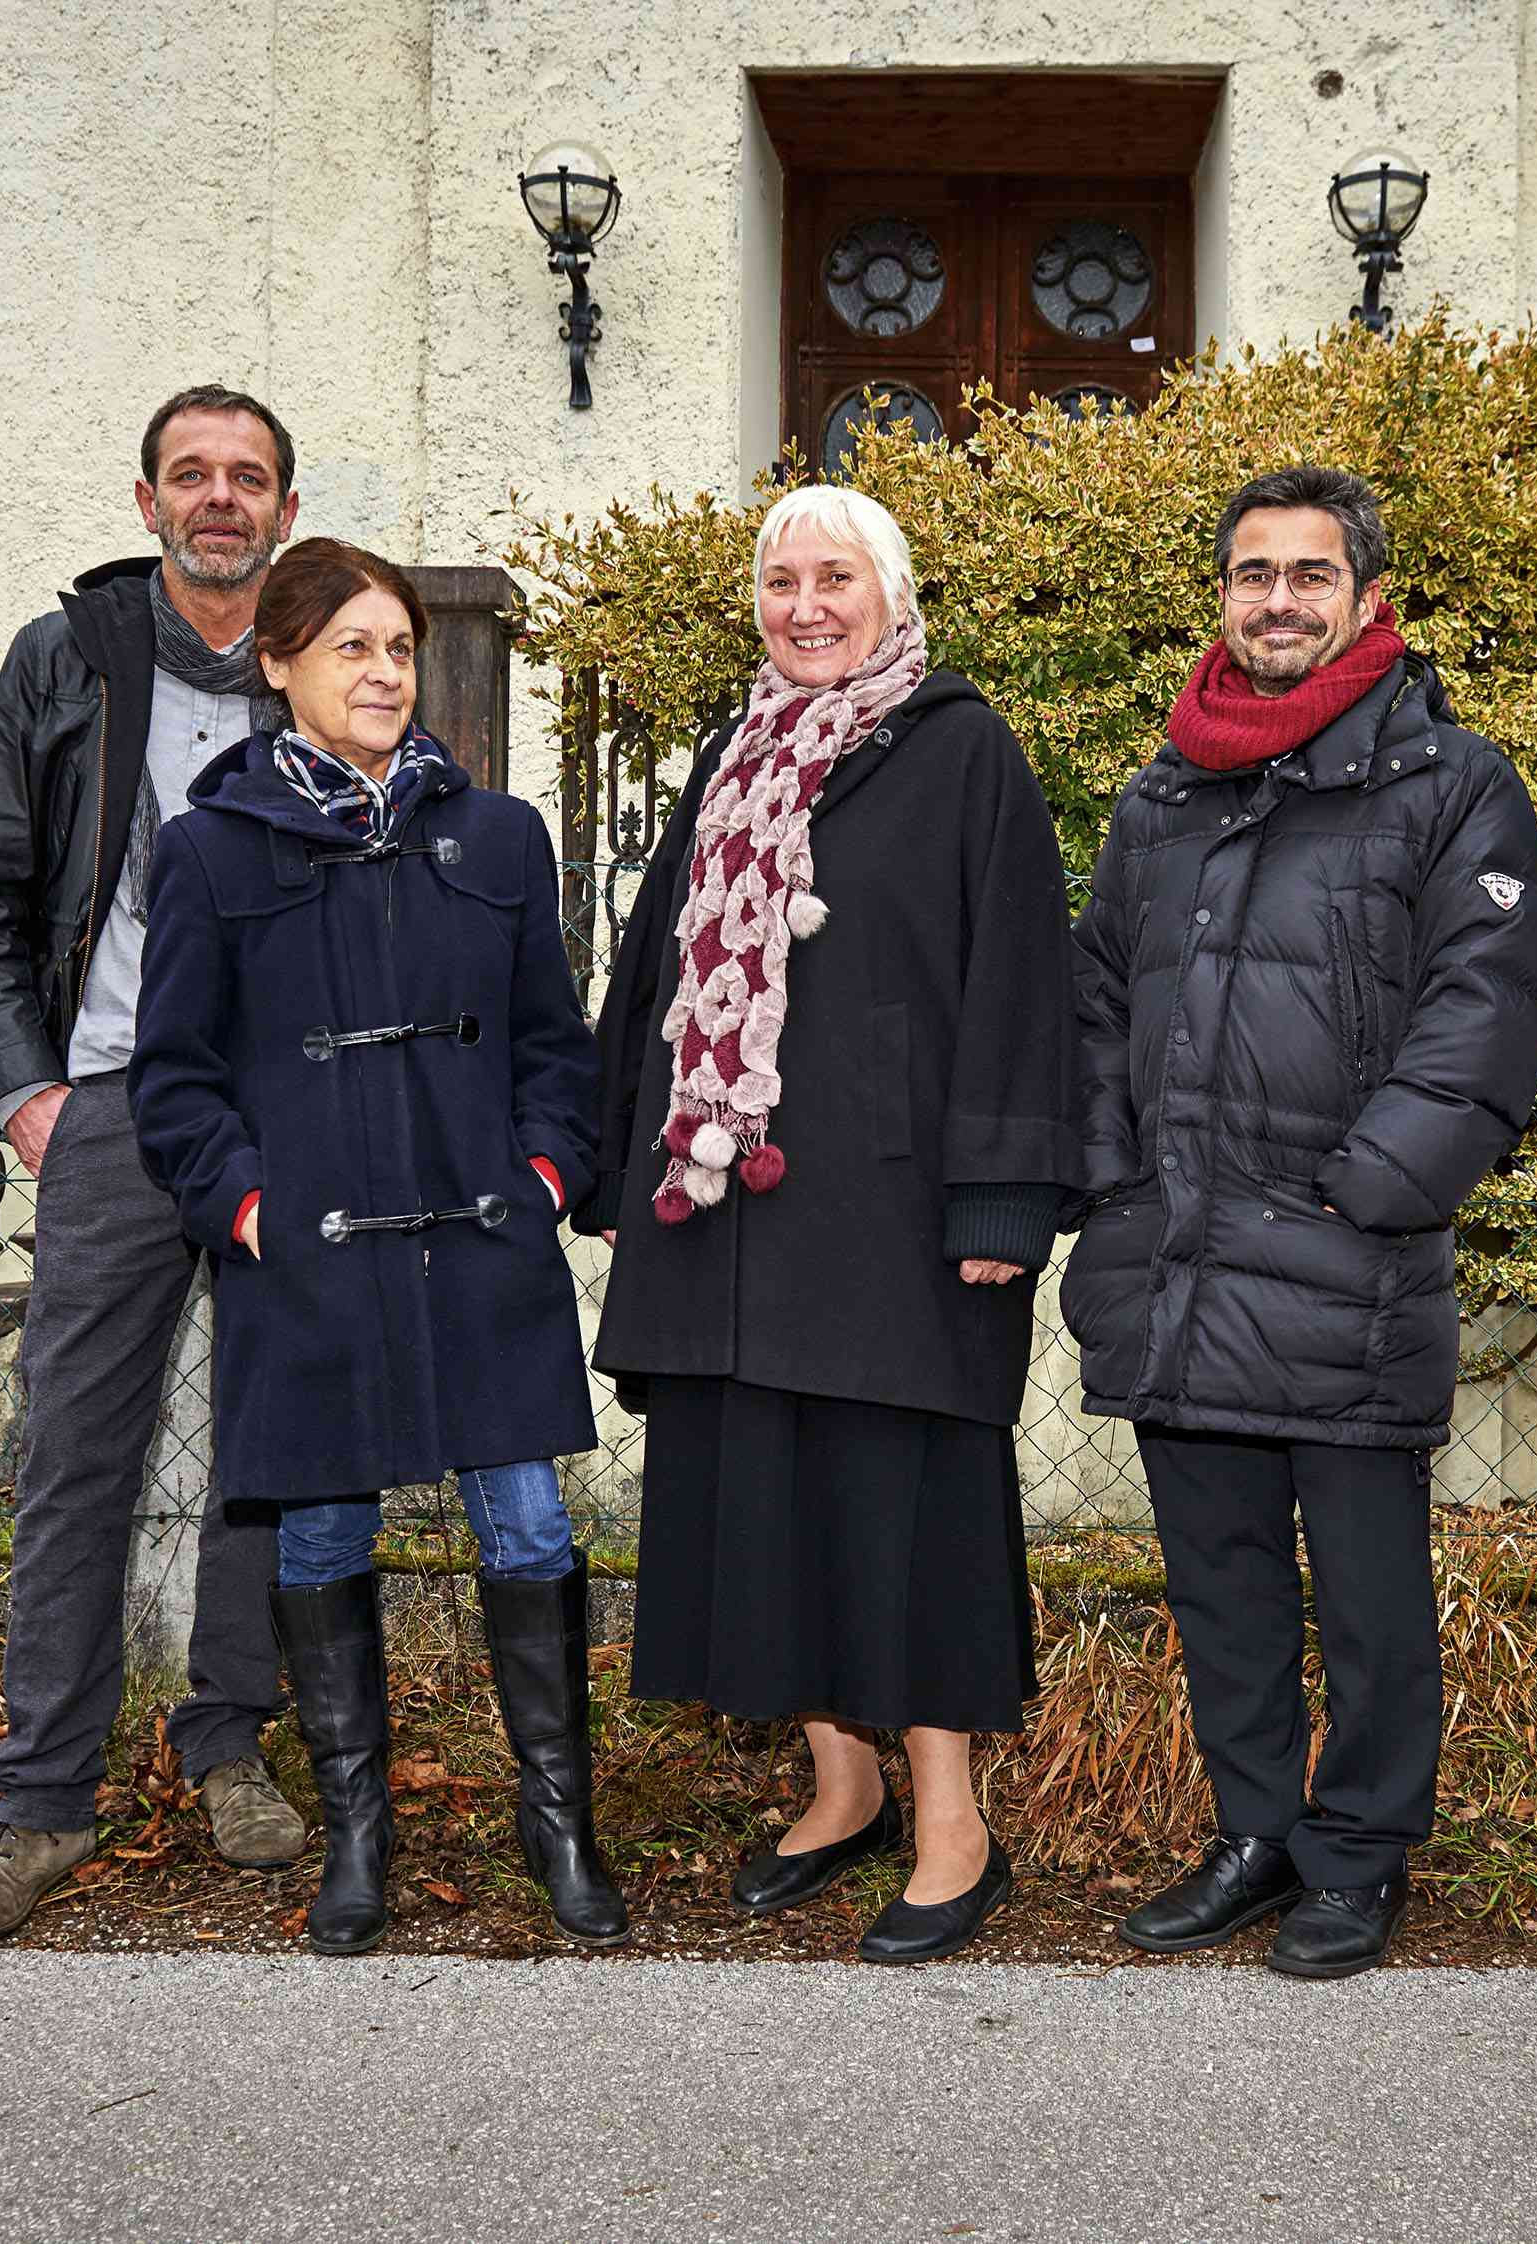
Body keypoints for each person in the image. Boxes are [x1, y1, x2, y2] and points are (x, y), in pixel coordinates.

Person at [1063, 466, 1537, 1981]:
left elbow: (1485, 1008)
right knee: (1221, 1582)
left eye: (1309, 574)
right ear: (1223, 595)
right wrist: (1117, 1175)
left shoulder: (1450, 782)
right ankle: (1257, 1834)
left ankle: (1359, 1853)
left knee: (1367, 1601)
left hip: (1346, 1260)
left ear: (1365, 597)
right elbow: (1097, 996)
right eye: (1253, 573)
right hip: (1179, 1259)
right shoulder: (1165, 792)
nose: (1277, 599)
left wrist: (1372, 1188)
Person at [581, 484, 1076, 1965]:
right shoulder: (731, 753)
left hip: (895, 1215)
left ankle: (952, 1825)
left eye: (836, 578)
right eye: (782, 580)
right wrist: (619, 1163)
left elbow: (1021, 979)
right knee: (765, 1497)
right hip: (730, 1210)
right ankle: (841, 1785)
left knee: (904, 1509)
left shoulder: (965, 749)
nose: (806, 606)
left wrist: (1004, 1195)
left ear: (893, 594)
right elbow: (655, 970)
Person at [125, 537, 617, 1957]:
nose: (386, 672)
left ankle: (558, 1823)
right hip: (313, 1260)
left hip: (483, 1243)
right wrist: (253, 1213)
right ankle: (357, 1834)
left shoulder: (500, 837)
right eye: (353, 646)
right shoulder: (209, 850)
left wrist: (542, 1175)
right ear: (277, 664)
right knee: (325, 1529)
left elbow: (553, 1046)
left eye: (400, 647)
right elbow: (176, 1082)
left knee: (530, 1525)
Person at [0, 386, 307, 1947]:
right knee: (76, 1454)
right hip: (108, 1113)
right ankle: (41, 1803)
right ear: (147, 502)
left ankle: (229, 1742)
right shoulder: (64, 658)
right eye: (191, 475)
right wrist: (29, 1095)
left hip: (277, 1117)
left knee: (269, 1445)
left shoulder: (316, 660)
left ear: (284, 510)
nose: (220, 498)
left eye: (248, 477)